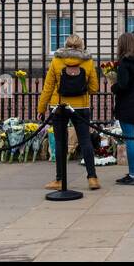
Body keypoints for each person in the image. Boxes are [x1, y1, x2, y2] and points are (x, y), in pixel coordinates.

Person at [37, 34, 101, 191]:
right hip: (80, 107)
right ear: (81, 45)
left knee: (60, 142)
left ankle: (59, 179)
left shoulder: (57, 61)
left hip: (59, 106)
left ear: (66, 45)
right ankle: (92, 178)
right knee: (85, 140)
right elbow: (94, 88)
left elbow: (48, 87)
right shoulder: (88, 61)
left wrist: (41, 108)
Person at [111, 32, 134, 185]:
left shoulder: (124, 62)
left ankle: (132, 175)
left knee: (130, 139)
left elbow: (123, 85)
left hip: (127, 104)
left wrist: (114, 86)